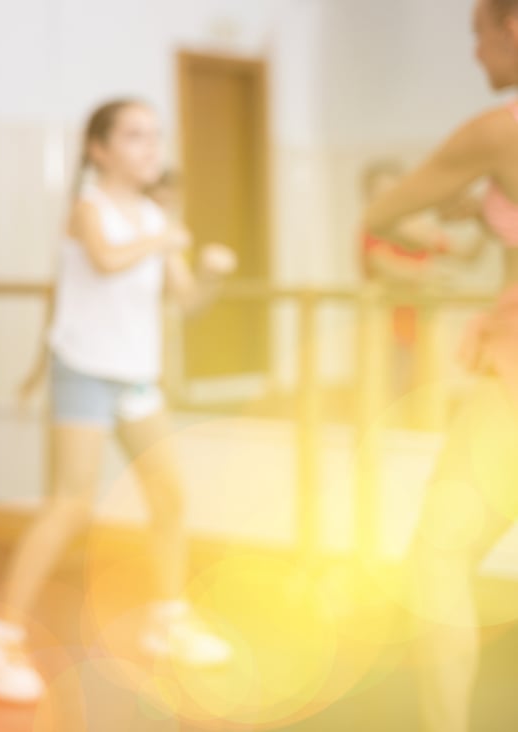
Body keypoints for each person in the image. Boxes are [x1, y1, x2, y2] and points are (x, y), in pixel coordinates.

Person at [0, 99, 237, 703]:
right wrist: (164, 235)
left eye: (155, 136)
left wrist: (210, 271)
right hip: (84, 371)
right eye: (135, 136)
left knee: (170, 495)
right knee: (69, 505)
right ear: (100, 149)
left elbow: (184, 301)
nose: (151, 147)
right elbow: (108, 263)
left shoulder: (151, 216)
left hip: (136, 377)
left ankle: (168, 618)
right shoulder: (91, 209)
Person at [364, 2, 518, 729]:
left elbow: (383, 214)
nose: (474, 54)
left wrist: (454, 208)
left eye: (477, 36)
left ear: (512, 28)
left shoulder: (501, 129)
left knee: (438, 557)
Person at [361, 160, 485, 397]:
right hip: (386, 325)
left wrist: (490, 217)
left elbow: (468, 255)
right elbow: (383, 266)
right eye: (379, 193)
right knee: (391, 391)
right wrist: (428, 276)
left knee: (426, 390)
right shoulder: (372, 228)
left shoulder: (419, 230)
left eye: (393, 192)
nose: (387, 198)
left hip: (424, 323)